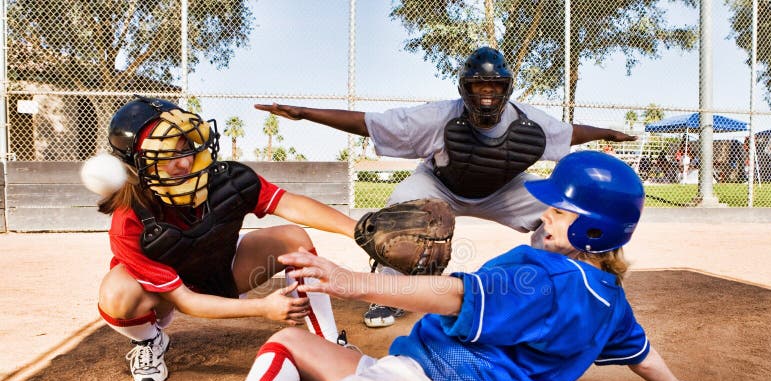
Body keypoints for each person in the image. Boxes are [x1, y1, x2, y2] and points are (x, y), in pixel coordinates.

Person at [124, 151, 725, 381]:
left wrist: (349, 282)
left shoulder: (545, 275)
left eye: (561, 213)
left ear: (594, 234)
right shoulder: (609, 298)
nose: (545, 214)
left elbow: (457, 294)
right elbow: (639, 351)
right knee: (290, 343)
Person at [256, 46, 636, 329]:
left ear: (507, 88)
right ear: (464, 88)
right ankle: (391, 291)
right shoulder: (439, 116)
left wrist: (604, 132)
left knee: (555, 215)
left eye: (495, 85)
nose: (486, 93)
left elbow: (569, 134)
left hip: (505, 189)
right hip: (440, 184)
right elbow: (369, 123)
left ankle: (549, 286)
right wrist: (305, 113)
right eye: (478, 85)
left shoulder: (528, 121)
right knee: (400, 212)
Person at [96, 96, 358, 381]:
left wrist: (357, 229)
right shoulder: (129, 222)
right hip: (168, 297)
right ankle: (148, 341)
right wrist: (262, 308)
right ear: (135, 167)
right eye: (169, 155)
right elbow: (186, 301)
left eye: (186, 147)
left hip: (224, 267)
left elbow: (289, 203)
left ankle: (330, 342)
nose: (185, 162)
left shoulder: (225, 179)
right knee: (117, 291)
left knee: (293, 238)